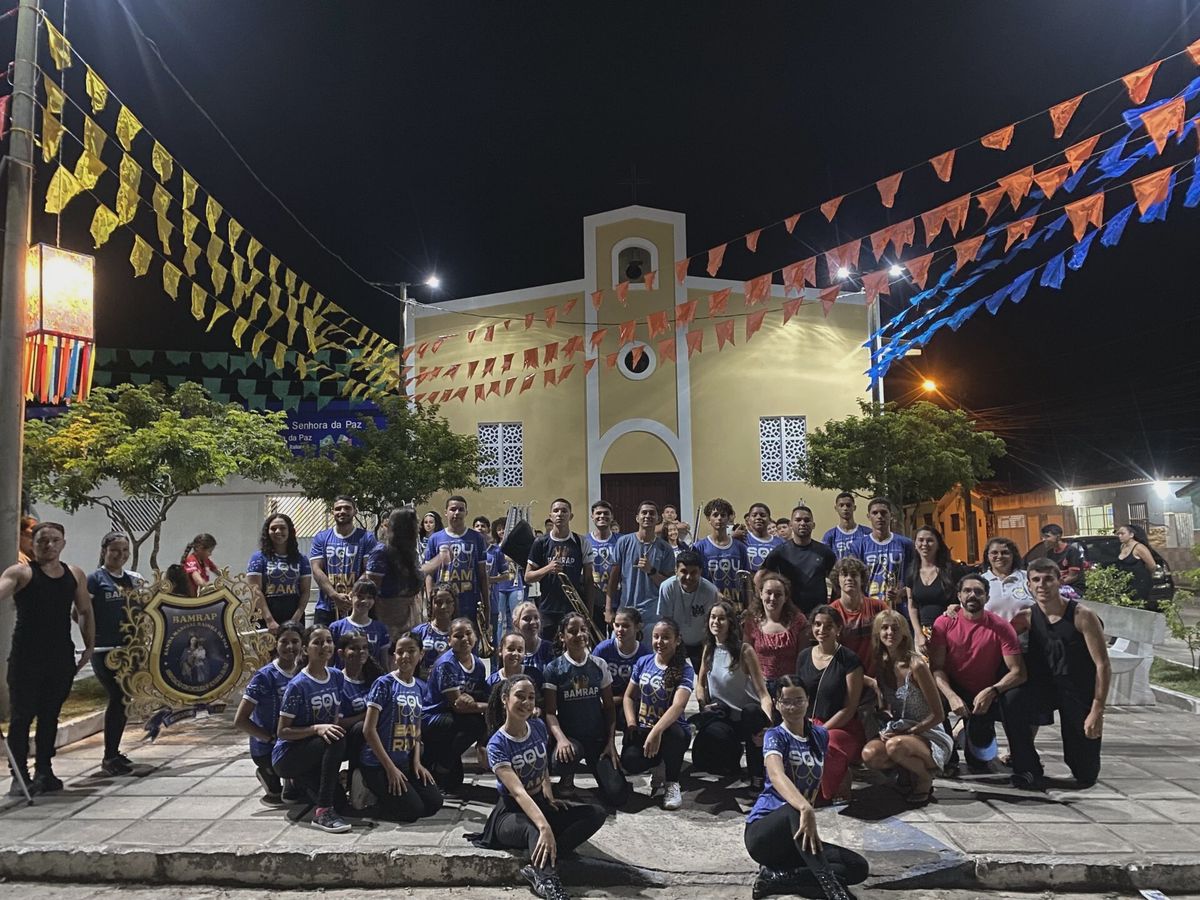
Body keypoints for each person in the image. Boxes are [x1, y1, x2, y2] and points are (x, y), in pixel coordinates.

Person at [472, 674, 606, 900]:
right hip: (511, 812)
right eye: (520, 696)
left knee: (595, 813)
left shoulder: (538, 726)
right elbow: (518, 792)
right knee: (536, 828)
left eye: (531, 697)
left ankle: (544, 857)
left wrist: (549, 794)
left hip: (539, 802)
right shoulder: (497, 743)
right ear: (505, 699)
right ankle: (546, 879)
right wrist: (544, 826)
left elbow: (542, 764)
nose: (526, 703)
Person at [743, 676, 870, 900]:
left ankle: (778, 878)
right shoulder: (775, 735)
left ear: (807, 701)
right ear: (777, 704)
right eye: (786, 702)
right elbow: (775, 773)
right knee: (793, 809)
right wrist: (804, 807)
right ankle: (832, 890)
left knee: (857, 867)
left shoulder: (819, 735)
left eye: (798, 701)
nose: (793, 707)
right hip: (766, 833)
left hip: (796, 838)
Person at [0, 522, 94, 797]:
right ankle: (20, 775)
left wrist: (89, 645)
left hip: (60, 656)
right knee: (22, 717)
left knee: (50, 716)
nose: (48, 545)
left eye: (54, 540)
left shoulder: (74, 574)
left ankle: (44, 770)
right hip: (26, 657)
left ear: (63, 543)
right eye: (42, 541)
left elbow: (85, 610)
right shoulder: (21, 573)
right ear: (33, 543)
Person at [1006, 559, 1111, 790]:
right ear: (1029, 585)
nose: (1042, 585)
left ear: (1059, 581)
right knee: (1012, 702)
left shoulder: (1082, 615)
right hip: (1043, 687)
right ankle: (1027, 767)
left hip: (1077, 689)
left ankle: (1082, 760)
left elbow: (1102, 665)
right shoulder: (1026, 618)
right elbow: (997, 637)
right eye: (1036, 580)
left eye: (1048, 579)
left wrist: (1097, 710)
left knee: (1085, 773)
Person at [928, 573, 1026, 776]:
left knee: (980, 761)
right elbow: (936, 668)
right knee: (933, 696)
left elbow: (1019, 672)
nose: (972, 595)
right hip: (955, 685)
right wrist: (951, 696)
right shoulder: (943, 623)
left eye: (978, 592)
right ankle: (949, 757)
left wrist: (992, 692)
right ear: (959, 596)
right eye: (967, 591)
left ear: (987, 598)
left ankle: (1019, 756)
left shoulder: (1001, 627)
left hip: (986, 690)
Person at [862, 610, 951, 805]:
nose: (890, 633)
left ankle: (924, 778)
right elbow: (887, 707)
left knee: (895, 746)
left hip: (929, 732)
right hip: (899, 729)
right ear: (878, 633)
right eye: (884, 628)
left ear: (904, 632)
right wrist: (884, 729)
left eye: (895, 628)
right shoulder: (881, 664)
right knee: (870, 755)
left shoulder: (916, 666)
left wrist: (911, 731)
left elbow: (938, 715)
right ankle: (906, 771)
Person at [543, 612, 630, 807]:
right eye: (572, 631)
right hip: (571, 738)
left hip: (597, 739)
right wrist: (561, 739)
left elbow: (608, 707)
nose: (579, 635)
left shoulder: (599, 665)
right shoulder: (554, 669)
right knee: (561, 760)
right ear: (562, 637)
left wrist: (611, 743)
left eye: (583, 630)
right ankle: (567, 779)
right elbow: (550, 712)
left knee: (618, 795)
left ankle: (604, 774)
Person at [355, 633, 444, 822]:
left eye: (411, 651)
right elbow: (368, 730)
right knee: (412, 811)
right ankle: (366, 786)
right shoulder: (384, 684)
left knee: (434, 803)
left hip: (404, 760)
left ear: (421, 655)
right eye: (400, 652)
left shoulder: (420, 686)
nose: (405, 656)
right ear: (394, 656)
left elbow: (416, 728)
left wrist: (417, 762)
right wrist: (390, 768)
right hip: (379, 763)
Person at [272, 625, 352, 833]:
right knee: (335, 738)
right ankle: (323, 812)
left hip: (315, 750)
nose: (324, 646)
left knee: (342, 804)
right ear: (306, 649)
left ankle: (302, 783)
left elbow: (334, 716)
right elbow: (282, 732)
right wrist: (316, 728)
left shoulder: (336, 676)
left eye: (328, 641)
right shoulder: (298, 685)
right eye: (317, 642)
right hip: (288, 755)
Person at [693, 600, 773, 781]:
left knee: (752, 713)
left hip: (746, 717)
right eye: (713, 617)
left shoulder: (744, 651)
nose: (716, 622)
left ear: (730, 622)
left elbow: (763, 693)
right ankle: (731, 761)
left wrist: (768, 723)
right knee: (708, 748)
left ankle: (757, 775)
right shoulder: (709, 647)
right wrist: (702, 704)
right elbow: (700, 683)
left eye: (721, 618)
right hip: (723, 717)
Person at [86, 532, 146, 776]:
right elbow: (80, 611)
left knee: (124, 701)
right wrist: (91, 638)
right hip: (104, 650)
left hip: (130, 650)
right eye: (115, 550)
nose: (120, 555)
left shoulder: (133, 580)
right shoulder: (94, 579)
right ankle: (109, 756)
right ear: (104, 551)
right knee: (117, 696)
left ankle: (115, 751)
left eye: (124, 551)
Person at [621, 617, 694, 811]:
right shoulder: (644, 661)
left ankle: (672, 782)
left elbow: (678, 706)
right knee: (629, 761)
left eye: (665, 638)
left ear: (677, 640)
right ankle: (660, 763)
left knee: (675, 734)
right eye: (656, 637)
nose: (659, 642)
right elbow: (628, 697)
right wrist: (631, 724)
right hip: (644, 728)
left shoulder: (685, 668)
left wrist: (656, 732)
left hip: (670, 730)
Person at [794, 605, 865, 804]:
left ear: (838, 629)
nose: (822, 630)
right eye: (817, 624)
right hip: (808, 722)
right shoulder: (804, 656)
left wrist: (821, 729)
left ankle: (836, 782)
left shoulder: (850, 660)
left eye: (828, 626)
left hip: (841, 726)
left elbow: (850, 708)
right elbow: (799, 696)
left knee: (826, 743)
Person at [235, 621, 304, 806]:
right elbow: (240, 720)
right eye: (284, 641)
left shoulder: (305, 672)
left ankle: (292, 778)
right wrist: (268, 738)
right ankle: (270, 774)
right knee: (277, 796)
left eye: (295, 641)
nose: (290, 647)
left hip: (296, 740)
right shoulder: (265, 676)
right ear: (275, 643)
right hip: (268, 745)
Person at [422, 617, 489, 792]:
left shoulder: (479, 665)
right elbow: (458, 705)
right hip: (433, 716)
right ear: (449, 640)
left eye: (468, 634)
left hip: (456, 718)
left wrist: (474, 701)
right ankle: (441, 764)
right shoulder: (446, 664)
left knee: (454, 783)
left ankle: (442, 761)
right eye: (458, 636)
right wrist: (491, 706)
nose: (465, 639)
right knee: (476, 724)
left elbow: (476, 697)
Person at [525, 499, 593, 642]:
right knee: (548, 651)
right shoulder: (540, 543)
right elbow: (528, 577)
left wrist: (589, 612)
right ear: (550, 515)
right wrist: (547, 568)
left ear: (571, 516)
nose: (560, 514)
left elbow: (588, 580)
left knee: (573, 649)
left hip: (573, 609)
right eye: (556, 511)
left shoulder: (580, 542)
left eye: (564, 511)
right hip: (548, 609)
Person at [754, 505, 836, 617]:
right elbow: (759, 577)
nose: (803, 523)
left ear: (813, 525)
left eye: (807, 520)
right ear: (791, 525)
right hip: (789, 614)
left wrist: (833, 604)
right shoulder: (780, 552)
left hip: (817, 615)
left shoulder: (824, 552)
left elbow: (837, 579)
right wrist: (763, 603)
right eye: (798, 520)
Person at [309, 495, 378, 628]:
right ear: (332, 512)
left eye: (347, 508)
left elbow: (368, 570)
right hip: (326, 607)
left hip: (359, 605)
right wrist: (334, 595)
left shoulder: (366, 538)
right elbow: (316, 569)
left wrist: (353, 595)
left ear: (354, 511)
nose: (342, 511)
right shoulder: (321, 538)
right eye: (338, 508)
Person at [368, 508, 438, 639]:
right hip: (388, 619)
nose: (419, 528)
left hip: (410, 617)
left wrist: (438, 561)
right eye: (415, 524)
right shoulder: (382, 552)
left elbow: (416, 574)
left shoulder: (410, 552)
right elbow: (371, 589)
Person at [605, 500, 674, 630]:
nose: (648, 516)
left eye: (652, 513)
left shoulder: (665, 548)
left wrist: (651, 571)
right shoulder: (623, 542)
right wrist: (608, 609)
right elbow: (613, 579)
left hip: (653, 615)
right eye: (644, 513)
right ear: (637, 518)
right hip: (626, 611)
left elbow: (669, 585)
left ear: (658, 519)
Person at [424, 495, 492, 623]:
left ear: (466, 512)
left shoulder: (476, 538)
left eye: (461, 510)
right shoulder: (435, 539)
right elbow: (429, 575)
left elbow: (483, 575)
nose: (457, 513)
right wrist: (430, 601)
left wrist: (487, 606)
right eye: (453, 509)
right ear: (446, 512)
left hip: (470, 603)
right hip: (443, 604)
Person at [744, 573, 810, 693]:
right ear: (760, 594)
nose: (772, 598)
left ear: (785, 597)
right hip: (760, 687)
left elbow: (803, 660)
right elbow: (746, 659)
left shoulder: (798, 621)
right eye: (769, 593)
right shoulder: (751, 621)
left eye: (778, 594)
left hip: (790, 686)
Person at [655, 549, 718, 672]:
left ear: (700, 572)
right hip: (675, 643)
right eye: (684, 572)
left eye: (693, 572)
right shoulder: (667, 587)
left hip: (700, 643)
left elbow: (709, 630)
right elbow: (666, 624)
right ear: (676, 571)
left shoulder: (710, 591)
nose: (688, 577)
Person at [848, 498, 914, 611]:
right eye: (875, 513)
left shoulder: (905, 544)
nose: (879, 516)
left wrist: (902, 592)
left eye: (883, 513)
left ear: (891, 515)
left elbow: (915, 576)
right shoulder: (858, 546)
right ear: (868, 516)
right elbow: (853, 578)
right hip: (870, 607)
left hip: (899, 607)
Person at [247, 513, 310, 631]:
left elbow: (305, 591)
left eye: (282, 528)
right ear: (267, 532)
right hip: (265, 615)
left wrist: (296, 619)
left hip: (293, 615)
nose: (278, 531)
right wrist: (269, 620)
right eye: (273, 528)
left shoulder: (302, 559)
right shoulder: (258, 558)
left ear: (290, 531)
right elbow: (255, 590)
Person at [593, 607, 652, 732]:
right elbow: (592, 680)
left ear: (637, 627)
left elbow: (641, 691)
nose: (620, 630)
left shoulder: (644, 654)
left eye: (625, 626)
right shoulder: (603, 649)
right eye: (617, 625)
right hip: (602, 701)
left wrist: (615, 700)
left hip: (629, 701)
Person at [905, 526, 962, 651]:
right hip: (923, 634)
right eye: (920, 540)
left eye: (930, 540)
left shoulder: (952, 570)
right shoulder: (911, 572)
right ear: (915, 544)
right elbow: (912, 606)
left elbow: (965, 596)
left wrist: (958, 606)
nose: (924, 544)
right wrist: (918, 634)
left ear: (938, 544)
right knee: (925, 670)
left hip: (951, 630)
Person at [829, 557, 888, 676]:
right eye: (844, 575)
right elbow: (830, 652)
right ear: (837, 580)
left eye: (854, 574)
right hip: (845, 676)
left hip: (877, 675)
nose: (849, 578)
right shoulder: (831, 611)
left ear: (862, 579)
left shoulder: (878, 606)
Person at [692, 498, 752, 612]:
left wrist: (749, 607)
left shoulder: (740, 547)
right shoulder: (699, 547)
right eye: (715, 515)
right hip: (709, 605)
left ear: (729, 518)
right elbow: (696, 579)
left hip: (736, 606)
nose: (719, 518)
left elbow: (746, 579)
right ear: (709, 519)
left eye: (723, 515)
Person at [329, 578, 392, 669]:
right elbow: (330, 662)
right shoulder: (336, 627)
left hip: (371, 680)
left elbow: (384, 663)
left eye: (369, 597)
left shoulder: (380, 628)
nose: (364, 601)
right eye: (360, 596)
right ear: (351, 596)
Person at [488, 517, 525, 659]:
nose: (502, 531)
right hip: (500, 587)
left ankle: (517, 646)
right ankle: (500, 650)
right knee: (500, 620)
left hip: (515, 585)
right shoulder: (494, 548)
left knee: (515, 619)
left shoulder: (516, 546)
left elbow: (521, 560)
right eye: (499, 529)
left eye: (504, 528)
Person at [980, 537, 1033, 629]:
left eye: (1005, 552)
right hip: (992, 638)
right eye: (994, 553)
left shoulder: (1028, 578)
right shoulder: (979, 582)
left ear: (1013, 556)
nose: (1000, 556)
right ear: (987, 557)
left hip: (1027, 639)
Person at [584, 500, 620, 633]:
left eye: (606, 513)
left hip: (618, 601)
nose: (602, 516)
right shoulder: (584, 541)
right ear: (592, 516)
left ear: (612, 517)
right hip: (594, 602)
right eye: (598, 513)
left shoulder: (621, 540)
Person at [412, 585, 456, 679]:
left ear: (454, 604)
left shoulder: (461, 632)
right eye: (438, 602)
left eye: (448, 602)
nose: (443, 607)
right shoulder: (419, 631)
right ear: (431, 604)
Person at [1025, 524, 1083, 588]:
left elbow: (1073, 577)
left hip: (1072, 588)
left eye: (1047, 536)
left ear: (1058, 537)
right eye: (1043, 537)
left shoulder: (1071, 551)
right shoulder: (1050, 553)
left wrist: (1056, 584)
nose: (1044, 539)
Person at [488, 630, 544, 695]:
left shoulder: (534, 674)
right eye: (510, 649)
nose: (515, 653)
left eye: (519, 650)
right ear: (500, 651)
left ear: (524, 653)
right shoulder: (492, 680)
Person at [821, 491, 872, 560]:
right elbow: (824, 560)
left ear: (854, 507)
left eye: (848, 505)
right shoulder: (830, 536)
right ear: (836, 508)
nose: (845, 508)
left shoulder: (867, 533)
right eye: (841, 505)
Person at [1115, 524, 1156, 607]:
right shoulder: (1122, 546)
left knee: (1138, 606)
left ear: (1131, 535)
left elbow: (1152, 565)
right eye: (1118, 534)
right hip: (1127, 584)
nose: (1120, 536)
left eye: (1122, 534)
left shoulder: (1139, 547)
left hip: (1140, 584)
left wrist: (1145, 575)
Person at [513, 600, 556, 676]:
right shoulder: (512, 650)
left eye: (536, 618)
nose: (533, 622)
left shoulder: (549, 648)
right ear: (516, 623)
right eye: (526, 619)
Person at [744, 503, 784, 574]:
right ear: (749, 520)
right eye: (754, 515)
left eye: (763, 515)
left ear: (769, 519)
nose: (758, 517)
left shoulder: (780, 542)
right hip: (748, 583)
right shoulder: (743, 540)